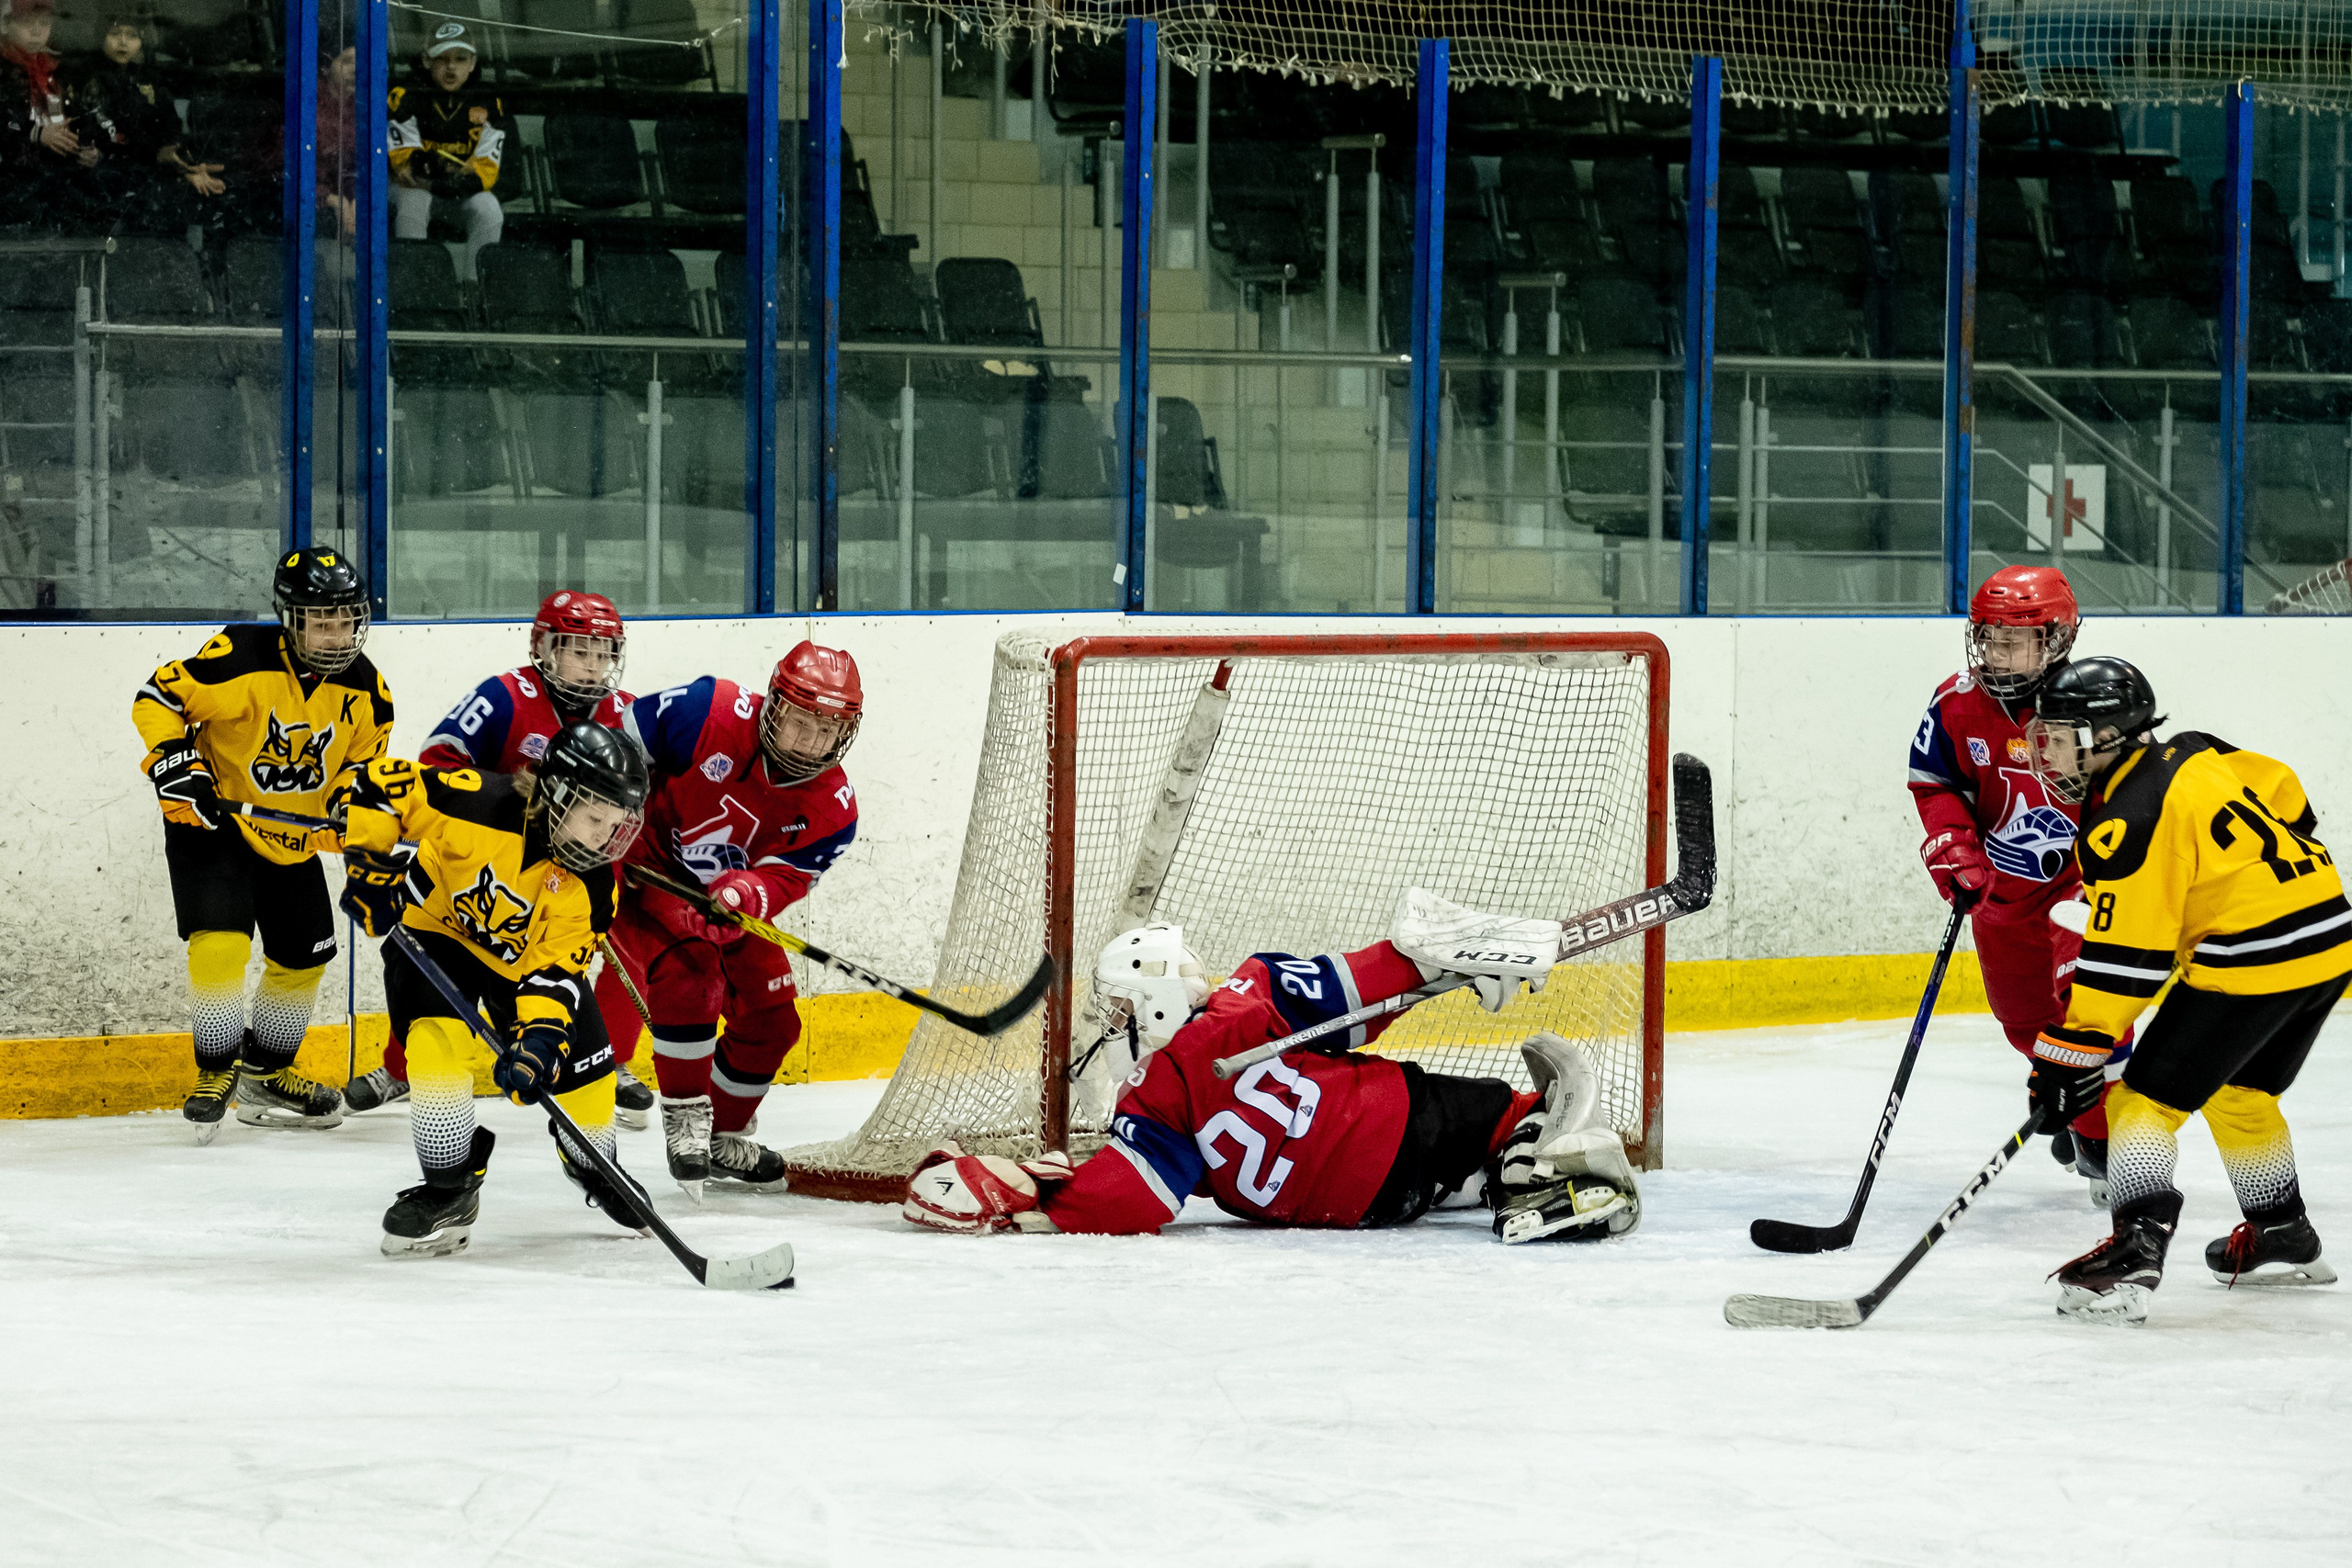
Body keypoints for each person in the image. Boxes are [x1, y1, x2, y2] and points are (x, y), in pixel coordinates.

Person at [900, 891, 1644, 1243]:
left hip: (1359, 1206)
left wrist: (1042, 1200)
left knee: (1465, 1146)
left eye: (1121, 1008)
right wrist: (1436, 961)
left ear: (1154, 999)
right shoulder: (1248, 995)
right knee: (1505, 1110)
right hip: (1393, 1120)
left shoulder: (1152, 1104)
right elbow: (1362, 988)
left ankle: (1495, 1175)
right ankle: (1536, 1171)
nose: (1117, 1026)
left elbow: (1130, 1201)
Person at [2027, 658, 2349, 1323]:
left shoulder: (2124, 821)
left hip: (2252, 957)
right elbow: (2282, 788)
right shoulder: (2195, 749)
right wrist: (2258, 878)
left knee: (2142, 1102)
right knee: (2242, 1090)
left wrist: (2072, 1051)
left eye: (2058, 735)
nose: (2045, 749)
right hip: (2330, 932)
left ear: (2105, 736)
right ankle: (2282, 1232)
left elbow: (2126, 964)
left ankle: (2134, 1251)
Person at [340, 725, 653, 1258]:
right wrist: (368, 863)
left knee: (588, 1072)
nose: (604, 836)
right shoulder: (476, 802)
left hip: (521, 966)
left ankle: (592, 1161)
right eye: (593, 817)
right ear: (556, 795)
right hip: (436, 934)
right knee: (434, 1048)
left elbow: (555, 974)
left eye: (615, 823)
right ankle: (450, 1189)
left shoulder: (595, 886)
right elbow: (379, 785)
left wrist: (538, 1045)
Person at [348, 591, 650, 1125]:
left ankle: (606, 1063)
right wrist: (520, 804)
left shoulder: (624, 715)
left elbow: (637, 795)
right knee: (436, 970)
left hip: (575, 872)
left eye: (604, 653)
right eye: (580, 651)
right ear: (544, 648)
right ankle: (402, 1067)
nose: (594, 666)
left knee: (582, 966)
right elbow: (438, 761)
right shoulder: (505, 696)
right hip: (489, 857)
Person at [130, 546, 392, 1141]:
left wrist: (352, 808)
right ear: (289, 617)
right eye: (321, 621)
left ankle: (266, 1073)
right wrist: (174, 762)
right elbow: (159, 698)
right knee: (220, 937)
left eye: (347, 618)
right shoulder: (241, 655)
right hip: (213, 814)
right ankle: (215, 1067)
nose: (337, 633)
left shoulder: (370, 692)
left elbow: (359, 768)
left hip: (289, 831)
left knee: (305, 956)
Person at [1907, 564, 2121, 1202]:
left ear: (2056, 639)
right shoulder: (1956, 702)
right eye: (1990, 637)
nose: (1998, 653)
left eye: (2015, 640)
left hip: (2082, 885)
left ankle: (2119, 1151)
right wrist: (1953, 846)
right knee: (2026, 1024)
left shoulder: (2093, 702)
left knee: (2086, 1011)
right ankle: (2088, 1125)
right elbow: (1935, 783)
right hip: (2000, 895)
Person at [617, 643, 862, 1195]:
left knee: (774, 1020)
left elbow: (788, 876)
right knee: (692, 972)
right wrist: (613, 836)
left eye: (827, 731)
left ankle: (723, 1136)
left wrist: (749, 893)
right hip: (643, 873)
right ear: (773, 705)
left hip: (724, 901)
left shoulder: (834, 808)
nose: (810, 743)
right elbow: (617, 747)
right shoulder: (706, 710)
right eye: (801, 722)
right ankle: (685, 1115)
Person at [75, 14, 229, 235]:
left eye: (132, 36)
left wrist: (184, 163)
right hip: (111, 172)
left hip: (146, 166)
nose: (123, 42)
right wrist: (167, 161)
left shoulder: (144, 78)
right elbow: (112, 135)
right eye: (115, 34)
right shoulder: (90, 78)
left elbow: (169, 125)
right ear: (101, 37)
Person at [387, 23, 506, 280]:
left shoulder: (488, 100)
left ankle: (473, 291)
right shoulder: (405, 94)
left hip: (458, 188)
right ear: (426, 60)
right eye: (442, 59)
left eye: (460, 59)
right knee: (414, 202)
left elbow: (487, 164)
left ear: (472, 63)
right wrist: (438, 177)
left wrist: (463, 182)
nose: (451, 67)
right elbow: (404, 164)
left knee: (489, 209)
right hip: (414, 187)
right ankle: (414, 284)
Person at [1, 0, 102, 233]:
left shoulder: (53, 69)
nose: (37, 31)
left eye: (44, 23)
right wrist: (35, 133)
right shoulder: (4, 68)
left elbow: (71, 118)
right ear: (6, 25)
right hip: (13, 178)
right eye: (27, 22)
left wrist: (83, 148)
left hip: (51, 173)